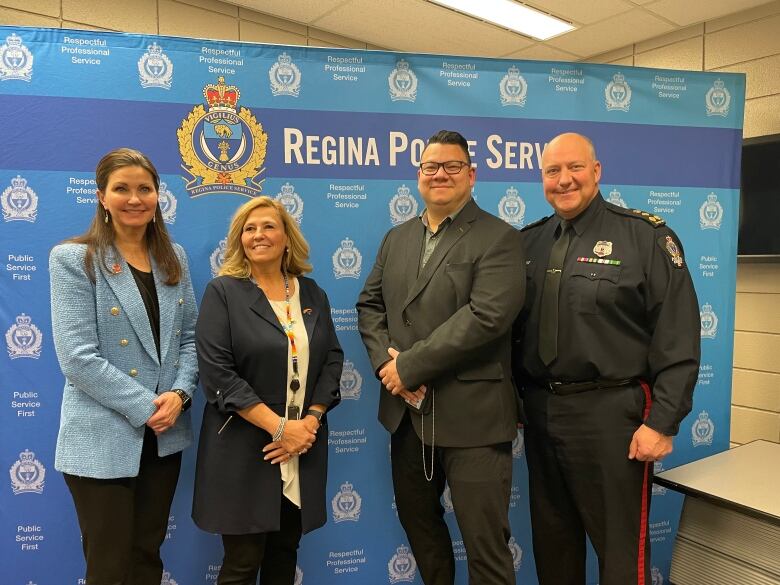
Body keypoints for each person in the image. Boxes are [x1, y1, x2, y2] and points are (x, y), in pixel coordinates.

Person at [513, 132, 700, 585]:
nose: (564, 180)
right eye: (552, 171)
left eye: (574, 168)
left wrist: (662, 423)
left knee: (620, 554)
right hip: (542, 413)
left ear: (597, 172)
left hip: (612, 417)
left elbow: (677, 337)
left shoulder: (645, 238)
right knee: (553, 549)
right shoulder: (528, 244)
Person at [356, 130, 525, 585]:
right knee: (424, 538)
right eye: (431, 166)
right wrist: (386, 368)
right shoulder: (397, 238)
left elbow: (486, 317)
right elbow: (369, 305)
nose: (440, 174)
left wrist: (408, 366)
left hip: (474, 421)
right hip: (407, 418)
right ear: (418, 176)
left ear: (471, 174)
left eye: (452, 166)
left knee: (485, 548)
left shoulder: (500, 238)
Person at [49, 148, 198, 585]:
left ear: (158, 196)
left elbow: (189, 340)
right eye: (122, 189)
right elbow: (77, 358)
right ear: (101, 196)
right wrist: (151, 406)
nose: (135, 198)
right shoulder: (74, 259)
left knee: (146, 559)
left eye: (145, 189)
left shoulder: (176, 258)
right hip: (101, 438)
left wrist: (182, 395)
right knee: (109, 567)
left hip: (164, 438)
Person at [193, 196, 343, 585]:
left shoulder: (312, 294)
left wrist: (309, 423)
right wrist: (281, 428)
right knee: (241, 565)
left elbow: (332, 361)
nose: (258, 235)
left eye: (268, 226)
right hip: (246, 447)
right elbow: (218, 375)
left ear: (287, 238)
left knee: (283, 557)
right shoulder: (223, 292)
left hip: (302, 448)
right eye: (249, 228)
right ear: (239, 240)